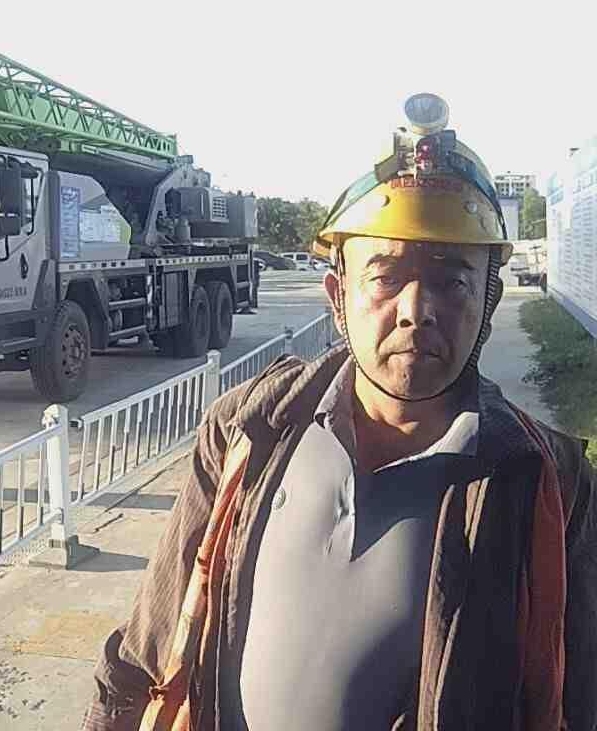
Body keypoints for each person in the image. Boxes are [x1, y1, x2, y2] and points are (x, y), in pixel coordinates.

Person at [82, 94, 597, 731]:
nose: (417, 310)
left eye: (452, 280)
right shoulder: (249, 431)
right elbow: (144, 654)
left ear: (487, 298)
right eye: (385, 276)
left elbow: (578, 696)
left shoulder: (548, 482)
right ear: (338, 293)